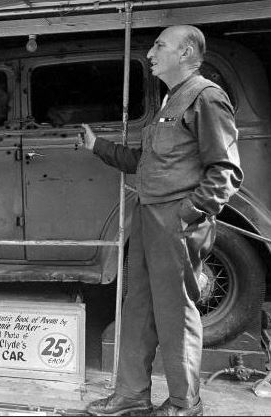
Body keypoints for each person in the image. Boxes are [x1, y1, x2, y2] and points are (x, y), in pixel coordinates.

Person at [82, 25, 242, 416]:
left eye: (159, 45)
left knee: (175, 316)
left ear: (186, 52)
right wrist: (97, 147)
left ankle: (185, 405)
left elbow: (226, 170)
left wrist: (188, 215)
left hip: (176, 222)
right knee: (137, 310)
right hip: (149, 217)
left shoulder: (206, 98)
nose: (151, 52)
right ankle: (131, 397)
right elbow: (147, 163)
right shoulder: (171, 101)